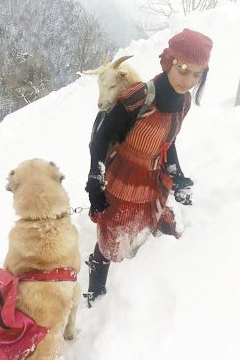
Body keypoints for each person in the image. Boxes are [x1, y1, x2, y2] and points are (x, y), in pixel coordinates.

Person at [84, 29, 213, 307]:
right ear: (169, 62)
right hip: (123, 175)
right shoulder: (140, 96)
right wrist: (95, 179)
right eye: (183, 69)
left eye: (197, 74)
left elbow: (169, 142)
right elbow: (102, 137)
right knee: (112, 232)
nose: (188, 80)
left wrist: (177, 176)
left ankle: (145, 259)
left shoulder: (185, 101)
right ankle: (96, 289)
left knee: (145, 220)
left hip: (152, 177)